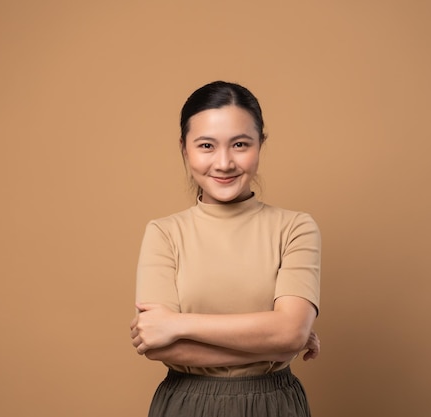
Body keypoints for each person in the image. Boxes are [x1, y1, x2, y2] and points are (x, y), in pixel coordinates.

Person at [130, 80, 321, 417]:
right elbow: (161, 349)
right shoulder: (164, 233)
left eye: (240, 144)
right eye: (206, 145)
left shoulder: (295, 228)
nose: (224, 163)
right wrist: (275, 345)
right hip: (186, 405)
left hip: (273, 404)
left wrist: (177, 324)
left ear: (260, 145)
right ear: (184, 148)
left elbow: (291, 332)